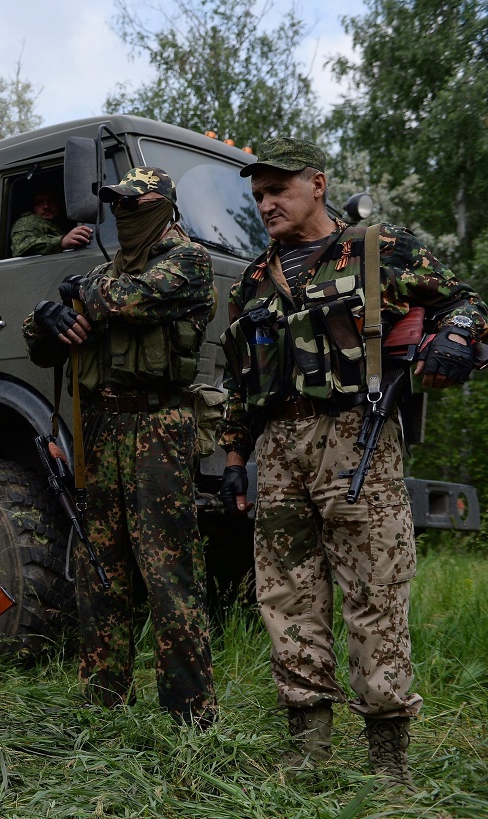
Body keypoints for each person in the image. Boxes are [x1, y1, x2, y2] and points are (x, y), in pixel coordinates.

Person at [217, 138, 486, 789]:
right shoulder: (254, 279)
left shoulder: (376, 249)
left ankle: (387, 765)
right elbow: (237, 381)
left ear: (317, 182)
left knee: (373, 597)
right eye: (256, 194)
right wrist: (232, 456)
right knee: (285, 597)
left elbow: (465, 300)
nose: (266, 203)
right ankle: (308, 752)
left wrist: (454, 337)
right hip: (277, 451)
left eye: (277, 188)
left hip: (355, 438)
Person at [24, 167, 217, 727]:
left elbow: (125, 301)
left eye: (135, 206)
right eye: (117, 207)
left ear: (163, 207)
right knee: (99, 566)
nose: (123, 217)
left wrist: (74, 292)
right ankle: (103, 703)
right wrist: (46, 319)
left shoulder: (189, 261)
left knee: (167, 571)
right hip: (103, 431)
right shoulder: (104, 273)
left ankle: (189, 718)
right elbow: (41, 348)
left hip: (159, 430)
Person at [9, 179, 93, 257]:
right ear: (33, 207)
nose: (46, 206)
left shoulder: (60, 224)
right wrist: (61, 241)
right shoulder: (28, 221)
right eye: (39, 202)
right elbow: (21, 246)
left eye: (51, 200)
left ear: (59, 204)